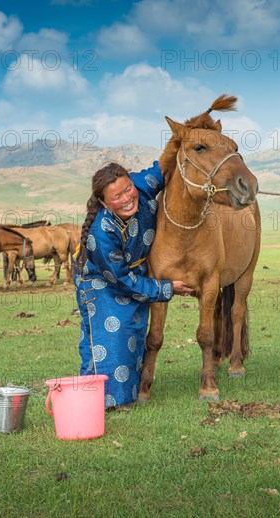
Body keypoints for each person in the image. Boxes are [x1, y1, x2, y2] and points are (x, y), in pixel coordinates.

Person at [74, 160, 192, 410]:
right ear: (105, 203)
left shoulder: (143, 185)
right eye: (117, 196)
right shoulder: (101, 234)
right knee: (110, 340)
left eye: (128, 188)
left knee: (133, 338)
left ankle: (124, 399)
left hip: (137, 276)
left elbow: (168, 163)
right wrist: (166, 288)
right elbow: (122, 280)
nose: (128, 198)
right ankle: (97, 401)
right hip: (103, 284)